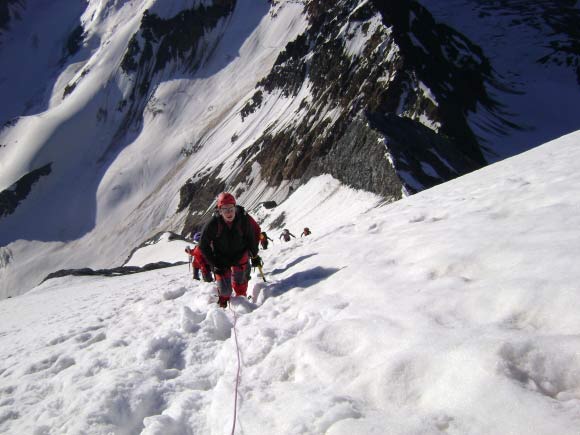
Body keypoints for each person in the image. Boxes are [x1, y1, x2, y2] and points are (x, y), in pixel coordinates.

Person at [199, 192, 262, 308]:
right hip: (221, 259)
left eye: (231, 208)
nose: (229, 212)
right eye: (225, 209)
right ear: (219, 210)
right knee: (225, 291)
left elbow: (250, 236)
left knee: (240, 285)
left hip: (240, 255)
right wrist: (214, 264)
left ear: (235, 207)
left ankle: (242, 304)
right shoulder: (213, 224)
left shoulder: (243, 219)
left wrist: (254, 254)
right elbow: (203, 245)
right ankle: (223, 304)